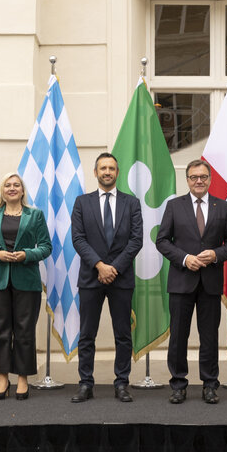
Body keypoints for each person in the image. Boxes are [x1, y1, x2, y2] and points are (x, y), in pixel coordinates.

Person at [156, 159, 227, 404]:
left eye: (203, 176)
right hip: (181, 282)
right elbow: (162, 241)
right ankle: (178, 384)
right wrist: (184, 258)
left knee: (209, 337)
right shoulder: (174, 206)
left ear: (210, 179)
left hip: (210, 283)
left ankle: (210, 384)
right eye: (194, 177)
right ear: (187, 180)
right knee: (179, 336)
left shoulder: (222, 207)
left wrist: (216, 254)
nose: (199, 181)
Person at [70, 153, 143, 403]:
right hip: (91, 278)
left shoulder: (131, 203)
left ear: (117, 172)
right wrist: (100, 265)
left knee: (123, 334)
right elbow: (78, 238)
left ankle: (122, 383)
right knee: (86, 334)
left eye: (112, 168)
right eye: (103, 168)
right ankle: (85, 383)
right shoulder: (82, 202)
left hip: (121, 279)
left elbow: (136, 240)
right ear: (95, 172)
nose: (107, 172)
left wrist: (114, 268)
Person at [0, 172, 51, 400]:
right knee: (1, 332)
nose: (12, 188)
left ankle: (22, 379)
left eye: (16, 185)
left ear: (22, 190)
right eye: (7, 184)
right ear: (2, 190)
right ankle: (2, 379)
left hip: (26, 282)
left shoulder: (35, 215)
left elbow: (46, 247)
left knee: (25, 332)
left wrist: (26, 255)